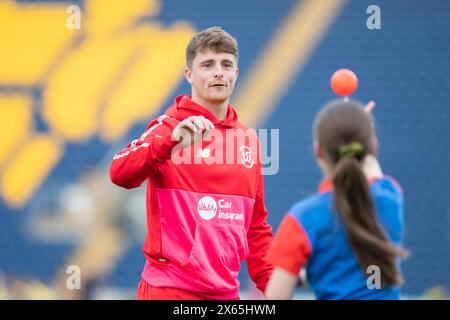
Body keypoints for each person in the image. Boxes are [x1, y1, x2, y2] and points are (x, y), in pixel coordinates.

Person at [109, 26, 273, 300]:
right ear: (189, 75)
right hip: (170, 290)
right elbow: (119, 172)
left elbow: (256, 228)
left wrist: (273, 284)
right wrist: (170, 143)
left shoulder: (249, 140)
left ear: (236, 73)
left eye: (226, 64)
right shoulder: (171, 127)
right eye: (207, 65)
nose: (218, 72)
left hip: (226, 294)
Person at [265, 99, 408, 300]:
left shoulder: (303, 218)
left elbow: (275, 298)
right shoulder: (390, 196)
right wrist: (359, 126)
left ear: (318, 151)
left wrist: (309, 273)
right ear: (372, 148)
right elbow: (371, 170)